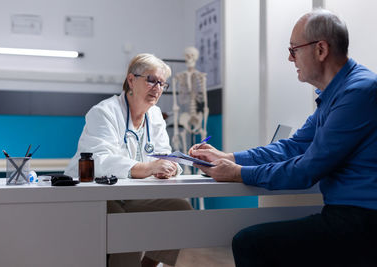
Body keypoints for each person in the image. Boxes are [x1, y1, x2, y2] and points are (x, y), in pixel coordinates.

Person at [189, 9, 377, 267]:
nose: (290, 58)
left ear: (321, 50)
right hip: (349, 215)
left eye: (294, 49)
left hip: (364, 222)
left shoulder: (358, 92)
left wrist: (238, 172)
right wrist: (228, 157)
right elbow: (292, 146)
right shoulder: (335, 93)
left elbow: (307, 169)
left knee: (250, 243)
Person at [65, 53, 192, 267]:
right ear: (131, 80)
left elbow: (163, 153)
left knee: (180, 209)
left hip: (132, 192)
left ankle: (148, 265)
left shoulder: (155, 116)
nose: (157, 88)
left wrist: (170, 168)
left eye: (162, 83)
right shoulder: (104, 112)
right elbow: (100, 160)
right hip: (95, 193)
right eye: (151, 80)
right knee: (127, 227)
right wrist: (146, 168)